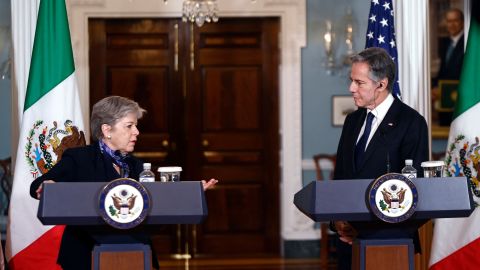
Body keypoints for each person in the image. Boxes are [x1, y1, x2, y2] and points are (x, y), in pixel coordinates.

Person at [30, 96, 218, 270]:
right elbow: (39, 184)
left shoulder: (136, 166)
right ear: (107, 130)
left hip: (136, 253)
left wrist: (190, 193)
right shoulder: (80, 158)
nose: (136, 132)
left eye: (135, 126)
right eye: (129, 126)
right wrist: (48, 185)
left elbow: (156, 206)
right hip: (84, 254)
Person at [332, 47, 429, 270]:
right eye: (351, 81)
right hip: (349, 243)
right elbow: (342, 177)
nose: (351, 88)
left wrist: (368, 228)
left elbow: (416, 190)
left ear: (381, 84)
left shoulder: (411, 122)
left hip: (390, 244)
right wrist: (338, 220)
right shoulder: (353, 121)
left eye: (359, 82)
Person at [432, 8, 465, 125]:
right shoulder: (444, 43)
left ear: (462, 22)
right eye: (449, 21)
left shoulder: (467, 42)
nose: (452, 24)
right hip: (444, 101)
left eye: (455, 20)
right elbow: (442, 72)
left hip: (460, 101)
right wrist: (434, 87)